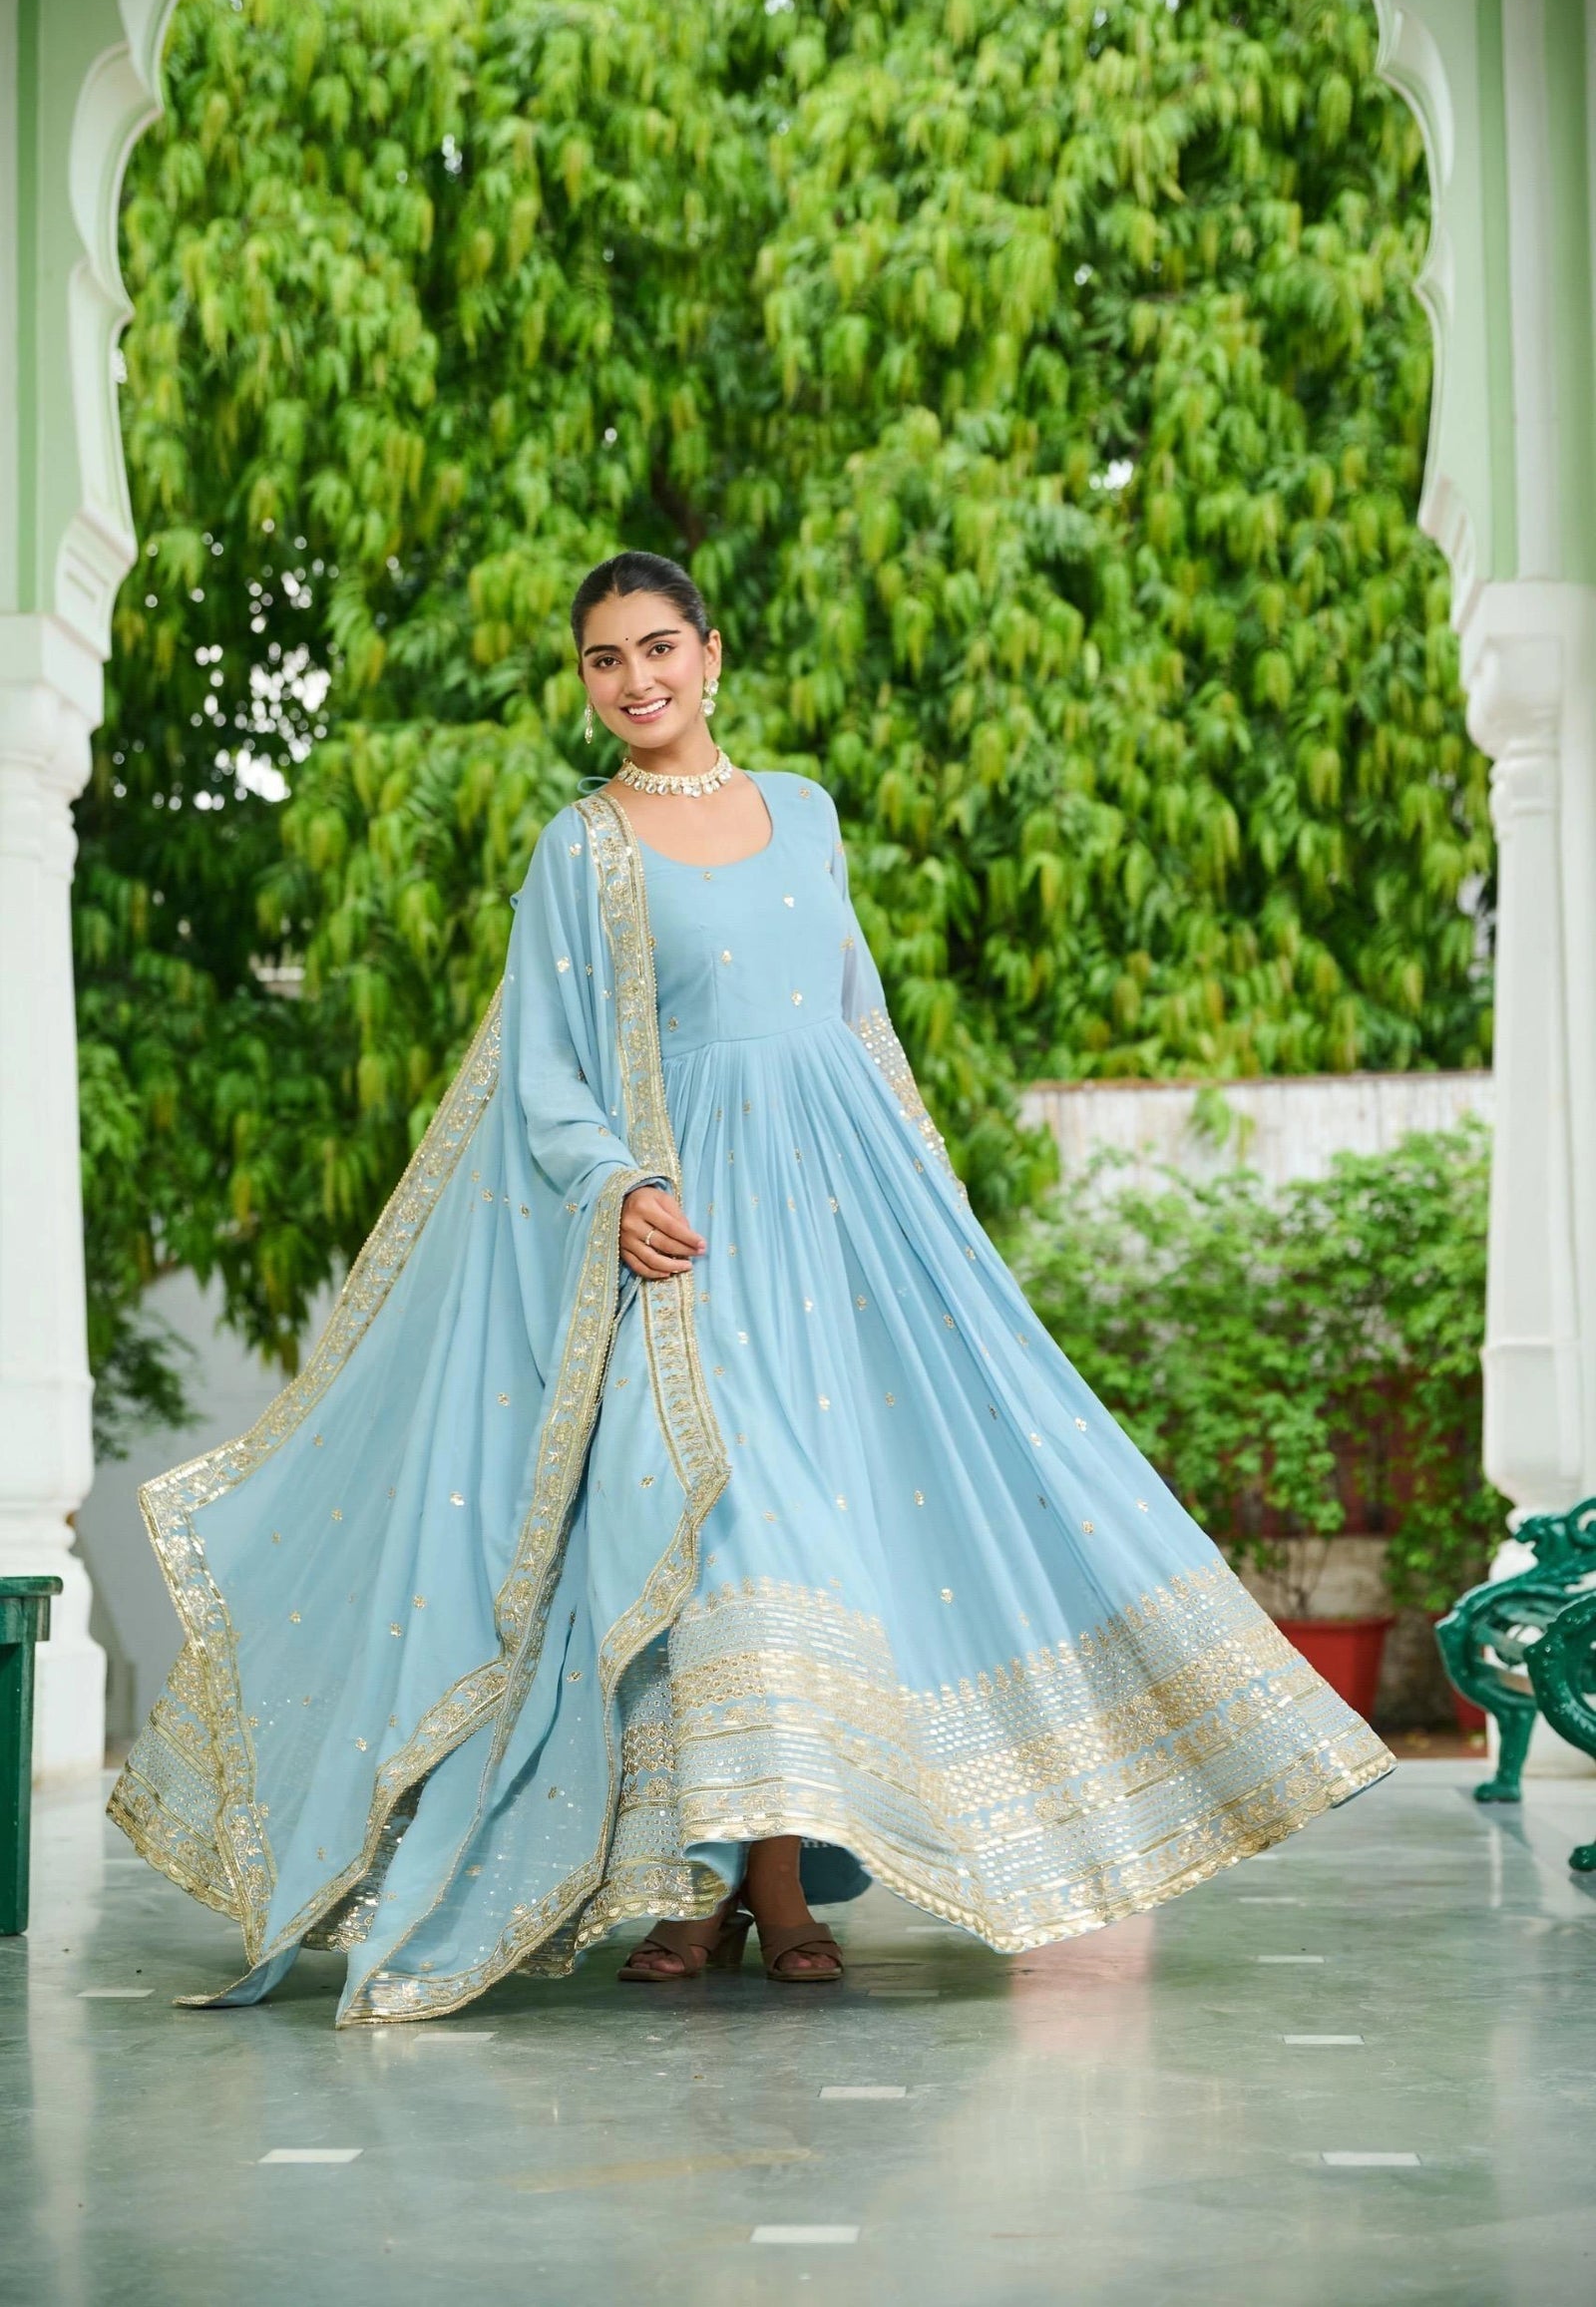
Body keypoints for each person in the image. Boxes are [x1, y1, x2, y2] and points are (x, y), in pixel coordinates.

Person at [110, 550, 1393, 2025]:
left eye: (660, 647)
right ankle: (723, 1892)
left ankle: (758, 1890)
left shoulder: (807, 814)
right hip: (687, 1241)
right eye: (605, 658)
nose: (637, 679)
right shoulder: (577, 850)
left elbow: (861, 1018)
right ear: (585, 680)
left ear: (713, 655)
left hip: (837, 1231)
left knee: (812, 1550)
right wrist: (620, 1188)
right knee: (714, 1538)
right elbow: (544, 1076)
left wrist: (926, 1206)